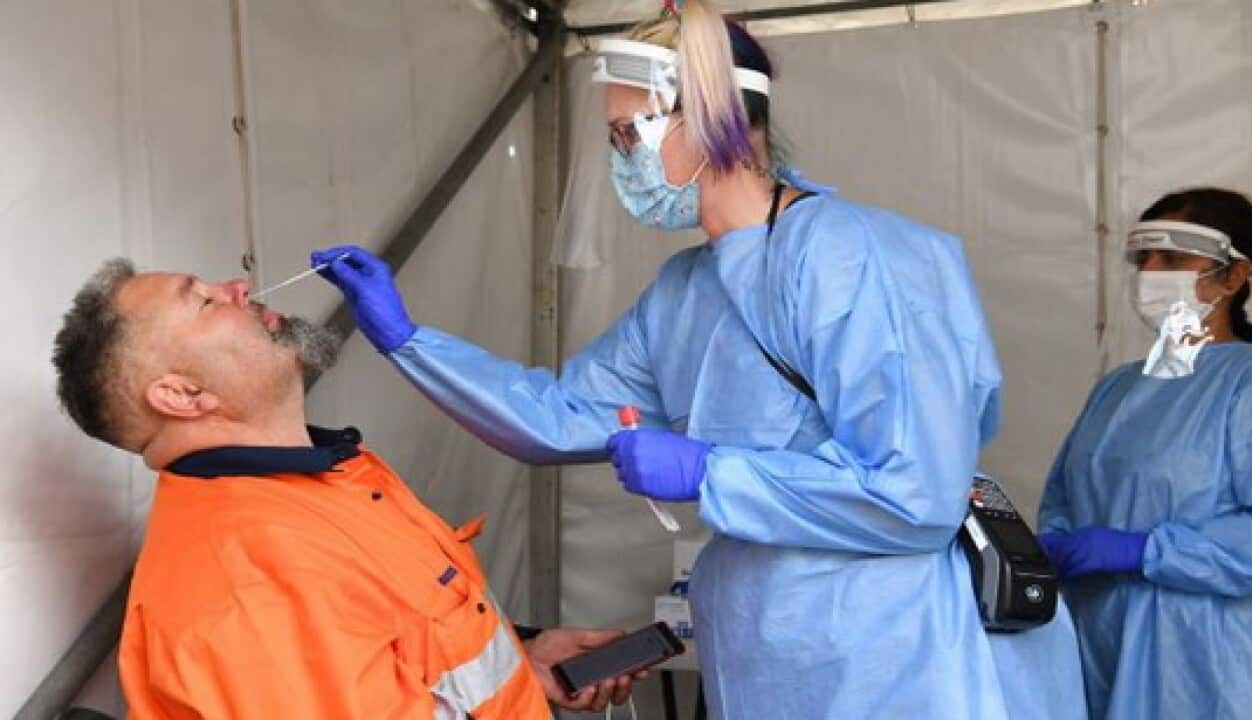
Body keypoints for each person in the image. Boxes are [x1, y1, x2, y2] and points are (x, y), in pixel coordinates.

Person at [313, 1, 1086, 717]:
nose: (623, 161)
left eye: (633, 135)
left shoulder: (858, 259)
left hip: (903, 652)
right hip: (774, 650)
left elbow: (914, 495)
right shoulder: (686, 290)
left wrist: (711, 471)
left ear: (716, 118)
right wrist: (409, 341)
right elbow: (563, 415)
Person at [51, 259, 641, 719]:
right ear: (181, 395)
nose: (237, 285)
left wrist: (525, 660)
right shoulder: (248, 576)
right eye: (204, 300)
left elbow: (413, 650)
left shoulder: (326, 479)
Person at [1038, 188, 1252, 719]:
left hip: (1205, 661)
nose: (1150, 271)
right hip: (1100, 642)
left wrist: (1147, 550)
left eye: (1171, 258)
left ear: (1234, 278)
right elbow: (1063, 498)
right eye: (1141, 258)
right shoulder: (1117, 388)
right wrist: (1048, 549)